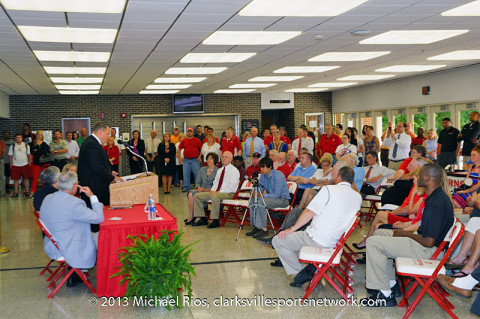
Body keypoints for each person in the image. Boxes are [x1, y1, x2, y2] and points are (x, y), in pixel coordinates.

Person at [362, 163, 454, 307]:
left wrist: (405, 233)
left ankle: (384, 295)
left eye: (420, 174)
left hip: (429, 251)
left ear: (428, 178)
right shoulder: (434, 197)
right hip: (425, 243)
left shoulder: (436, 203)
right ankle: (391, 285)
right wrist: (405, 231)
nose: (415, 177)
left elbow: (429, 241)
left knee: (374, 243)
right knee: (380, 232)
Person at [272, 166, 362, 286]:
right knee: (298, 244)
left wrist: (291, 229)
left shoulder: (328, 189)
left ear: (339, 177)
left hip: (317, 239)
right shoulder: (358, 197)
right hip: (335, 242)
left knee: (278, 240)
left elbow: (309, 212)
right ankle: (310, 266)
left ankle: (303, 271)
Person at [40, 171, 104, 286]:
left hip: (52, 244)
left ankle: (77, 272)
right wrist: (92, 196)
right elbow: (99, 218)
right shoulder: (75, 203)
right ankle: (81, 272)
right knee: (103, 236)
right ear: (75, 186)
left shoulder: (48, 198)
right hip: (68, 247)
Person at [78, 122, 122, 209]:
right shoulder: (91, 144)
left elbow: (101, 161)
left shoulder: (93, 142)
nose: (109, 136)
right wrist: (111, 178)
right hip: (94, 187)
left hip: (96, 184)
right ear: (101, 132)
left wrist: (110, 171)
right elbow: (97, 167)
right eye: (108, 133)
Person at [192, 151, 239, 229]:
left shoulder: (234, 171)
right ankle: (202, 218)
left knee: (215, 196)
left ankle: (215, 220)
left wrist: (217, 192)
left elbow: (232, 187)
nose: (223, 158)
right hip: (218, 192)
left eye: (226, 157)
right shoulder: (220, 170)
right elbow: (215, 183)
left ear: (231, 159)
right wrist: (212, 191)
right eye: (223, 157)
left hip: (229, 193)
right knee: (197, 196)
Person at [246, 157, 290, 239]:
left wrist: (262, 195)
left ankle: (263, 229)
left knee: (261, 202)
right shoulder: (263, 175)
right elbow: (261, 189)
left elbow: (277, 195)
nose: (261, 169)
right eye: (260, 167)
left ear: (270, 167)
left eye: (263, 167)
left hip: (282, 200)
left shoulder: (279, 176)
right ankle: (256, 226)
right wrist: (255, 190)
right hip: (271, 198)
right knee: (252, 200)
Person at [185, 152, 218, 225]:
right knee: (190, 194)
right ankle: (191, 216)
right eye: (207, 158)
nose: (208, 160)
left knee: (195, 195)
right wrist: (198, 187)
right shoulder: (202, 169)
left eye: (211, 158)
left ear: (215, 160)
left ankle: (199, 217)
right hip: (200, 189)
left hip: (210, 191)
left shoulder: (218, 171)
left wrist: (205, 190)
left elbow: (216, 185)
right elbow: (197, 181)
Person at [179, 127, 203, 192]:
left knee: (197, 174)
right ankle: (186, 187)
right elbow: (179, 148)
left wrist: (199, 156)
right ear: (187, 132)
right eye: (188, 131)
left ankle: (197, 187)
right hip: (186, 160)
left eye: (191, 131)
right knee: (186, 174)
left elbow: (201, 148)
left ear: (193, 132)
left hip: (195, 160)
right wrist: (179, 158)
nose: (190, 132)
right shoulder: (184, 140)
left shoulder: (197, 140)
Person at [8, 133, 32, 198]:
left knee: (26, 179)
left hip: (25, 164)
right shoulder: (12, 146)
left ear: (22, 138)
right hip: (15, 165)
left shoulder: (26, 145)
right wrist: (11, 164)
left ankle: (27, 191)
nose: (18, 138)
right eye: (17, 137)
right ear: (15, 139)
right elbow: (10, 156)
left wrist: (29, 162)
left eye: (20, 137)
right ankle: (16, 192)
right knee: (16, 180)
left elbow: (29, 155)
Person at [30, 130, 50, 198]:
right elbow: (32, 152)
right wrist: (39, 151)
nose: (39, 136)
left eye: (41, 134)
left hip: (43, 162)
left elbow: (46, 152)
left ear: (42, 136)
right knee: (35, 178)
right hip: (36, 162)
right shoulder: (32, 143)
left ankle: (43, 191)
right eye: (38, 134)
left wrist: (37, 151)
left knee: (44, 178)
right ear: (36, 135)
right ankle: (32, 192)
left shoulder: (44, 144)